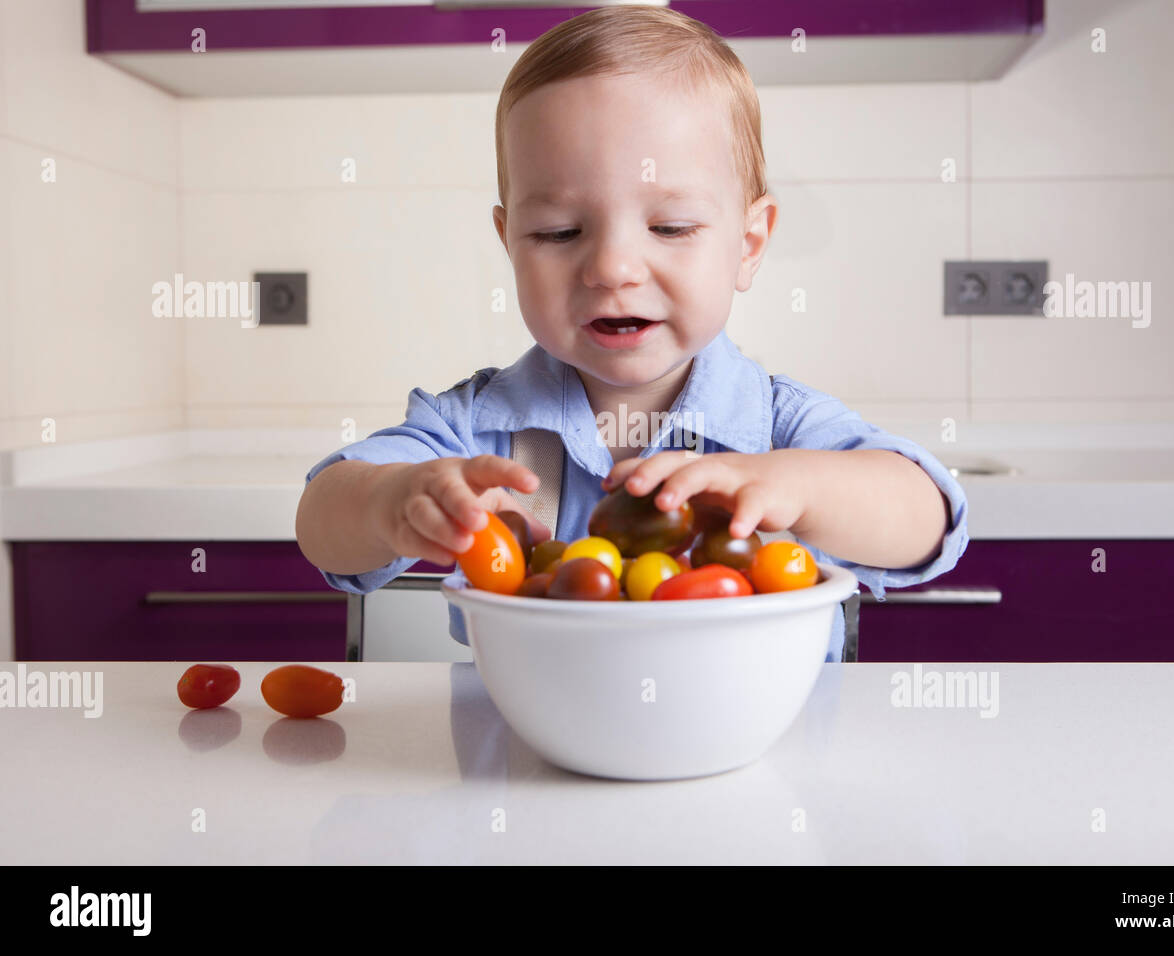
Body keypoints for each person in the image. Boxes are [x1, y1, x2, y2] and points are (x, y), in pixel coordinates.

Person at [295, 6, 969, 663]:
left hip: (759, 760)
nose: (612, 268)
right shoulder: (478, 432)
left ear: (749, 244)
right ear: (510, 245)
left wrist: (797, 485)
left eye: (670, 227)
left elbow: (930, 520)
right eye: (559, 232)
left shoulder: (778, 427)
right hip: (530, 760)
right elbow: (322, 522)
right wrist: (390, 503)